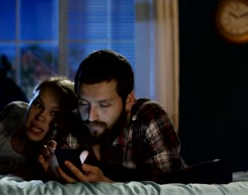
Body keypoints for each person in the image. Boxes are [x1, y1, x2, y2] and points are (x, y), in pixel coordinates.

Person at [38, 49, 186, 184]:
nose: (90, 117)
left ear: (128, 101)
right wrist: (53, 176)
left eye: (104, 105)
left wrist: (105, 184)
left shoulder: (148, 119)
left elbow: (168, 194)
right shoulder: (69, 123)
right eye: (84, 104)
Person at [0, 76, 78, 181]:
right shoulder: (14, 111)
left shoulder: (49, 155)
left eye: (54, 113)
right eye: (38, 104)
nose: (40, 116)